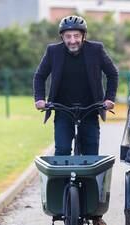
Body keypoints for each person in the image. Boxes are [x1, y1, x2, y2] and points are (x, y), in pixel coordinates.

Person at [33, 15, 118, 155]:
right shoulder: (53, 51)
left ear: (83, 36)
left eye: (76, 36)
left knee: (91, 152)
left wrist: (109, 98)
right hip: (62, 109)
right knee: (62, 149)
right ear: (62, 37)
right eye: (68, 36)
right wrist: (39, 99)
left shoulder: (96, 50)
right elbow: (40, 76)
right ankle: (62, 178)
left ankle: (89, 178)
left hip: (90, 110)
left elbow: (112, 73)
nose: (72, 41)